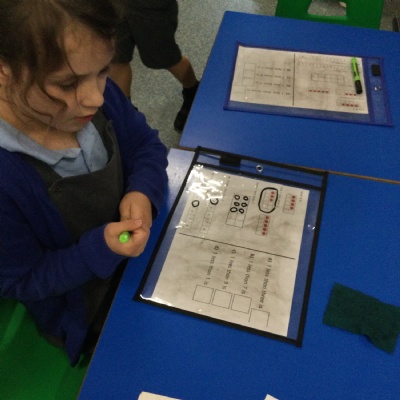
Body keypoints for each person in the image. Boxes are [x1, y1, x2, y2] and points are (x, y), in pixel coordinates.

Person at [0, 0, 168, 366]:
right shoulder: (7, 176)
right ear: (5, 71)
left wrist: (142, 189)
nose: (96, 97)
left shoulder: (98, 101)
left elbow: (146, 145)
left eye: (104, 70)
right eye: (67, 83)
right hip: (87, 313)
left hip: (144, 259)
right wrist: (98, 250)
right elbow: (22, 280)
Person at [109, 0, 200, 132]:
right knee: (116, 58)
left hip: (150, 5)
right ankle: (126, 112)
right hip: (111, 4)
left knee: (165, 57)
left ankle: (192, 91)